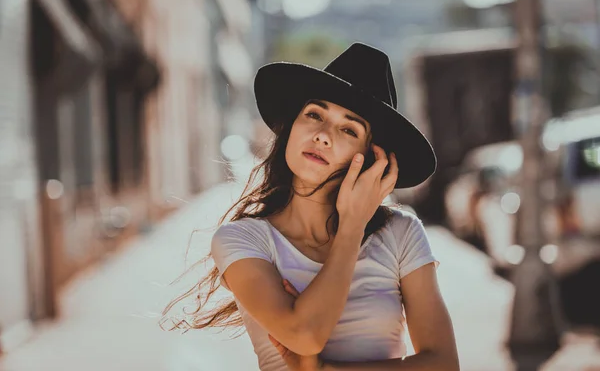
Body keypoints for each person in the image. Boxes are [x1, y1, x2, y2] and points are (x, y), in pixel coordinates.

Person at [163, 43, 459, 370]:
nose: (322, 135)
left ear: (374, 156)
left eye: (349, 129)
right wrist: (351, 228)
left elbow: (444, 364)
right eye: (314, 115)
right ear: (291, 127)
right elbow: (305, 336)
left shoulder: (402, 233)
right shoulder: (242, 239)